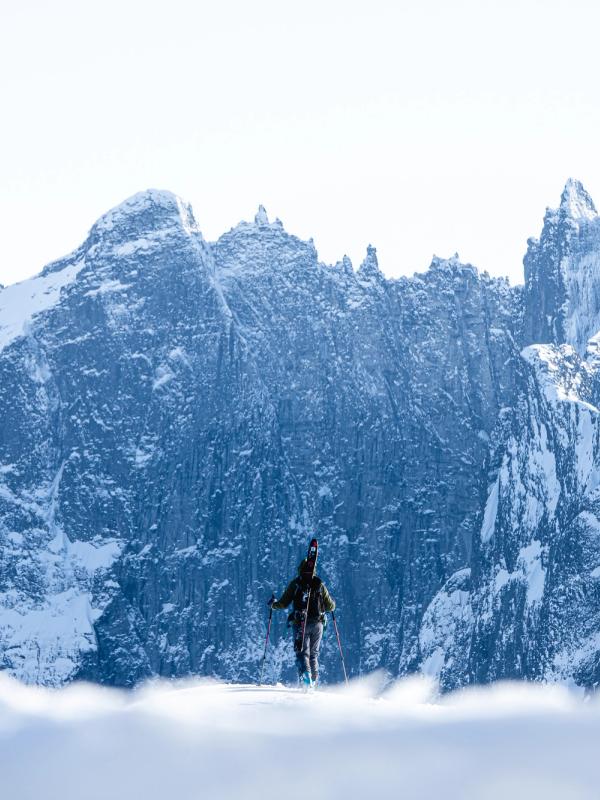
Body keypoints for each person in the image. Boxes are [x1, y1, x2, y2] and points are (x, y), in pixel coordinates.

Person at [269, 559, 335, 687]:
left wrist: (273, 605)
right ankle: (313, 682)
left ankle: (306, 678)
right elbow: (330, 606)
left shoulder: (296, 584)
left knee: (302, 652)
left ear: (300, 568)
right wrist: (333, 603)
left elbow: (283, 603)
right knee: (313, 654)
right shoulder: (319, 584)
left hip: (301, 623)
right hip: (318, 624)